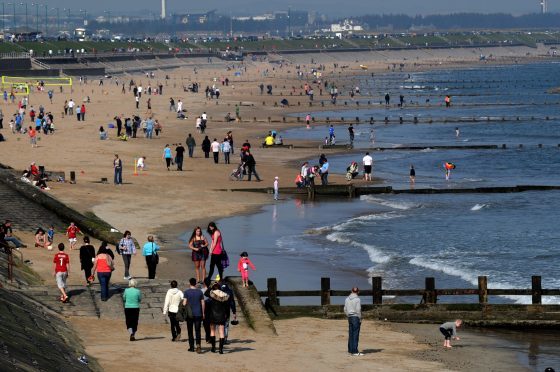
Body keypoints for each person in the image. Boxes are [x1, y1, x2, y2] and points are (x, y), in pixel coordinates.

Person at [205, 281, 230, 354]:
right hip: (222, 315)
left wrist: (210, 286)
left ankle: (213, 348)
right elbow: (227, 307)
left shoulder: (212, 294)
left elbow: (206, 293)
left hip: (213, 315)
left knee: (212, 331)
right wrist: (227, 315)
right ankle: (220, 350)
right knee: (221, 332)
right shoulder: (224, 295)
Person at [184, 278, 205, 353]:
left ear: (190, 283)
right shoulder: (199, 292)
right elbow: (202, 303)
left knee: (190, 331)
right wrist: (203, 313)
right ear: (195, 283)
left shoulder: (186, 292)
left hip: (189, 314)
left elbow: (184, 303)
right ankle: (198, 345)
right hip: (198, 313)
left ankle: (192, 347)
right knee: (197, 330)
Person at [344, 287, 363, 356]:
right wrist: (360, 318)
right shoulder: (357, 299)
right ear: (358, 292)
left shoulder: (347, 299)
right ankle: (355, 351)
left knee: (351, 333)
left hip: (350, 316)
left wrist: (348, 315)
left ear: (351, 291)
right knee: (355, 334)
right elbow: (358, 310)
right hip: (355, 316)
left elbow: (345, 309)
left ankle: (350, 349)